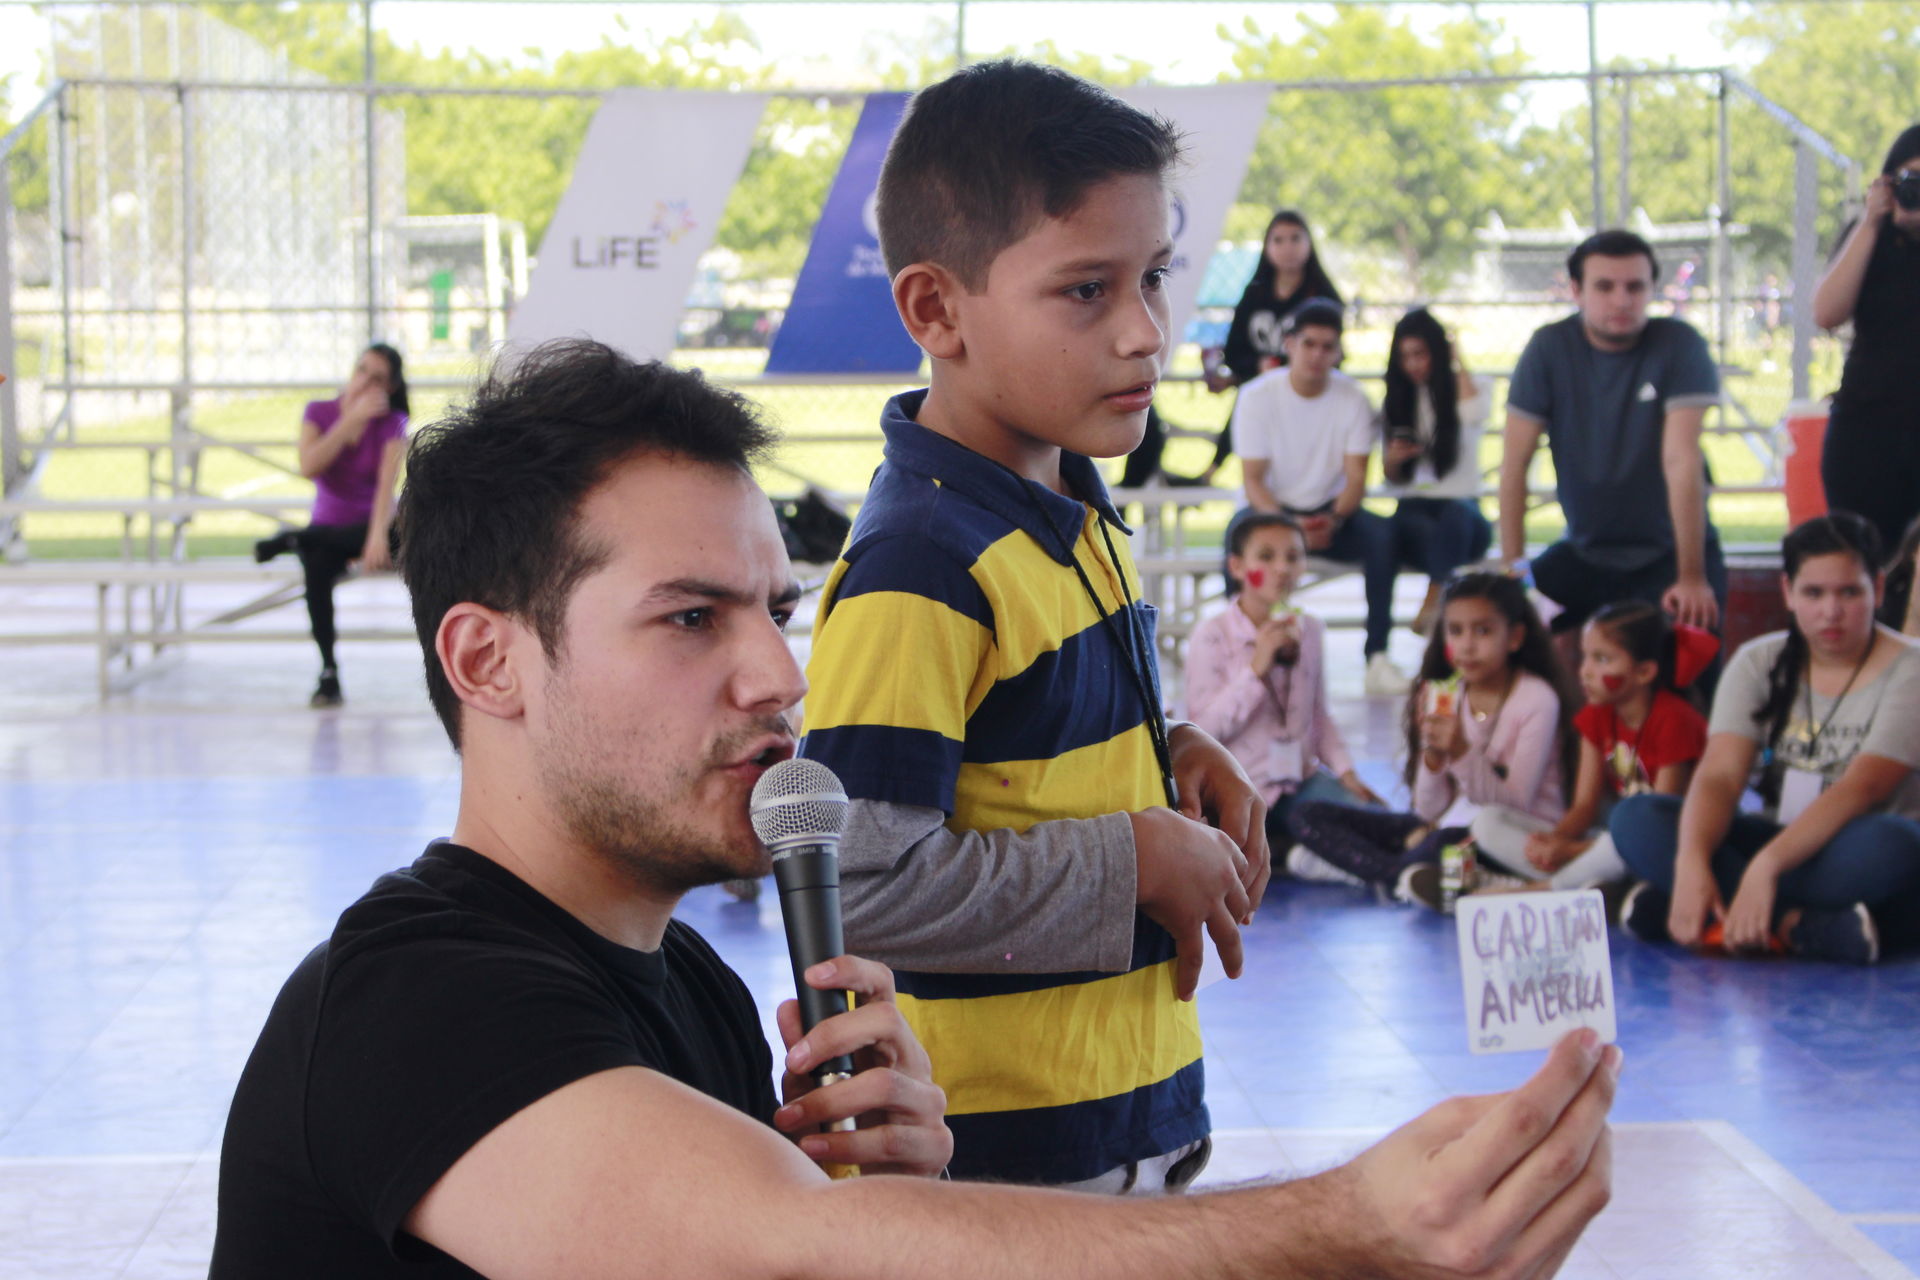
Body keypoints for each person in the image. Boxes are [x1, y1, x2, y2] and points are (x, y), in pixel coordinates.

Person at [212, 344, 1620, 1280]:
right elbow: (785, 1248)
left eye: (773, 607)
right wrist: (1344, 1232)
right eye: (690, 618)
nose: (777, 673)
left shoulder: (692, 987)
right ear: (486, 660)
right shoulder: (414, 1000)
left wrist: (895, 1182)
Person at [801, 60, 1267, 1192]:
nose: (1144, 332)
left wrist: (1173, 752)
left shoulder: (1070, 499)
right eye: (1085, 290)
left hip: (1119, 1121)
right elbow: (857, 884)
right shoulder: (920, 565)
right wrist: (1136, 856)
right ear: (934, 309)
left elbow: (1029, 751)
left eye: (1154, 277)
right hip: (996, 1166)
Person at [1613, 512, 1920, 966]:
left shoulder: (1910, 668)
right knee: (1637, 817)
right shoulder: (1759, 660)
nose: (1830, 611)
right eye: (1813, 593)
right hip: (1776, 837)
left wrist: (1766, 868)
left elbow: (1863, 788)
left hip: (1847, 848)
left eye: (1849, 592)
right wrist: (1691, 862)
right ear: (1787, 593)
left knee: (1897, 845)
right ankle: (1799, 927)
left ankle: (1714, 914)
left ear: (1876, 587)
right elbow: (1719, 775)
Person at [1291, 572, 1576, 903]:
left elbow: (1510, 806)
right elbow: (1428, 809)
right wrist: (1433, 759)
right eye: (1455, 631)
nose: (1467, 645)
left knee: (1445, 843)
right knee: (1308, 815)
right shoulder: (1447, 693)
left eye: (1483, 631)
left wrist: (1461, 752)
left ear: (1514, 637)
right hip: (1448, 824)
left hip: (1512, 833)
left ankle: (1371, 872)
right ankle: (1402, 875)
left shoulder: (1535, 699)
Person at [1499, 229, 1726, 637]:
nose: (1622, 300)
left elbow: (1681, 458)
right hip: (1584, 553)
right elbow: (1514, 466)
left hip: (1672, 553)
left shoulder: (1680, 344)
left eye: (1635, 286)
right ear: (1576, 290)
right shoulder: (1548, 348)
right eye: (1605, 286)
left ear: (1652, 289)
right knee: (1496, 625)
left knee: (1694, 661)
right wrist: (1516, 572)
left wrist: (1691, 577)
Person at [1184, 512, 1381, 885]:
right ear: (1238, 567)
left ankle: (1292, 854)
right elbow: (1203, 732)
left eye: (1293, 557)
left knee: (1372, 821)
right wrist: (1256, 668)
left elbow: (1319, 714)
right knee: (1222, 848)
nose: (1282, 569)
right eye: (1267, 557)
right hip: (1239, 790)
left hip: (1298, 780)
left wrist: (1346, 772)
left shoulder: (1308, 629)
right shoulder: (1211, 635)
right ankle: (1291, 852)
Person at [1472, 600, 1713, 893]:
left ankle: (1538, 891)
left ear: (1645, 672)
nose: (1585, 671)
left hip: (1665, 847)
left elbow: (1658, 822)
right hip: (1606, 846)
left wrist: (1572, 852)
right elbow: (1585, 806)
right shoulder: (1598, 715)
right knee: (1488, 821)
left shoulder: (1675, 720)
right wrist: (1555, 843)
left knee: (1622, 840)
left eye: (1602, 659)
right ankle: (1587, 886)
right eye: (1585, 656)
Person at [1233, 298, 1410, 694]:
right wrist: (1290, 530)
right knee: (1239, 539)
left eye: (1327, 346)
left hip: (1332, 515)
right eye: (1309, 343)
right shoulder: (1257, 396)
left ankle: (1377, 658)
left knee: (1384, 537)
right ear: (1290, 344)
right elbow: (1254, 481)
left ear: (1339, 351)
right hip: (1270, 512)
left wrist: (1332, 519)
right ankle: (1241, 650)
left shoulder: (1352, 398)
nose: (1317, 355)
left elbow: (1356, 479)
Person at [253, 344, 410, 707]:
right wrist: (351, 420)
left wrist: (375, 540)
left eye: (377, 378)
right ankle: (328, 672)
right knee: (317, 565)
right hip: (328, 530)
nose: (364, 382)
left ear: (390, 388)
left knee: (410, 537)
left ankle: (294, 540)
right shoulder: (319, 412)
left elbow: (387, 490)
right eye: (361, 370)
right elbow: (309, 465)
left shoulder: (393, 424)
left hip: (374, 528)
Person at [1813, 124, 1920, 554]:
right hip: (1868, 430)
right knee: (1862, 556)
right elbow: (1825, 313)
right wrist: (1872, 220)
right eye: (1911, 181)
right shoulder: (1868, 236)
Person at [1193, 210, 1344, 484]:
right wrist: (1259, 366)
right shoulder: (1255, 293)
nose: (1288, 248)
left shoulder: (1322, 295)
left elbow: (1336, 354)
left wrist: (1294, 367)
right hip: (1260, 389)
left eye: (1295, 239)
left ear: (1309, 243)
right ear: (1267, 246)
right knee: (1251, 399)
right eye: (1279, 240)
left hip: (1309, 394)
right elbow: (1234, 350)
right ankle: (1215, 472)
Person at [1380, 307, 1494, 637]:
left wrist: (1454, 358)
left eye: (1421, 353)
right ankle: (1445, 606)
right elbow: (1391, 479)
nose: (1413, 364)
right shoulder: (1399, 400)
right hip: (1416, 509)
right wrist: (1393, 460)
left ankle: (1434, 596)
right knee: (1421, 529)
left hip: (1464, 511)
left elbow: (1474, 412)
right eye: (1405, 356)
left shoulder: (1471, 387)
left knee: (1457, 517)